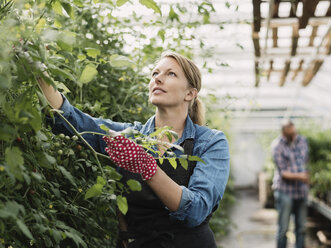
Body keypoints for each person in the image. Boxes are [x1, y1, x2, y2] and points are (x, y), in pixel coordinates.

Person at [38, 51, 230, 248]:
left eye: (170, 74)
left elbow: (196, 211)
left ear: (190, 93)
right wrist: (39, 70)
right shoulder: (131, 136)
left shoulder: (209, 142)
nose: (158, 79)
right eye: (155, 73)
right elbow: (72, 122)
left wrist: (146, 166)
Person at [271, 120, 309, 248]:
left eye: (294, 133)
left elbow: (305, 162)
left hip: (301, 190)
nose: (293, 136)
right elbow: (283, 173)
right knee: (283, 228)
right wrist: (300, 176)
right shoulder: (277, 146)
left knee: (301, 228)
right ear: (283, 133)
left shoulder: (302, 141)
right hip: (284, 190)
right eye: (290, 134)